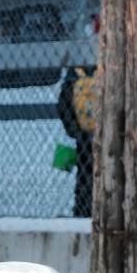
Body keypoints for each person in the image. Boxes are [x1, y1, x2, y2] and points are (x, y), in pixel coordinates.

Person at [56, 16, 101, 218]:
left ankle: (83, 215)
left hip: (85, 137)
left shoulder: (80, 62)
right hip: (114, 134)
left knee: (85, 179)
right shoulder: (119, 57)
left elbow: (63, 102)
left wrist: (75, 131)